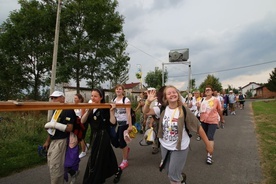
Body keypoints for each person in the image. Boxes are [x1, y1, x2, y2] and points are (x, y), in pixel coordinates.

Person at [144, 85, 213, 184]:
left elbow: (198, 126)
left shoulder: (184, 110)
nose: (172, 94)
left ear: (178, 94)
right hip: (164, 145)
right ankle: (181, 178)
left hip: (179, 147)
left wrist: (208, 144)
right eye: (169, 93)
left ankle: (179, 179)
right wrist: (148, 102)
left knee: (173, 176)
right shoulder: (162, 109)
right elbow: (145, 112)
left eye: (174, 92)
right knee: (169, 172)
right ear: (165, 97)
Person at [81, 88, 122, 184]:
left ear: (101, 97)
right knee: (106, 156)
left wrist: (112, 112)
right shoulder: (91, 108)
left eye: (95, 96)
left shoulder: (105, 108)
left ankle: (93, 180)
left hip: (103, 136)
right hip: (94, 135)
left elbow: (112, 122)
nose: (93, 98)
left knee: (96, 157)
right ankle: (116, 170)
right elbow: (83, 121)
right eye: (92, 96)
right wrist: (88, 111)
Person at [43, 91, 77, 184]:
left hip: (61, 141)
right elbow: (52, 128)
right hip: (53, 140)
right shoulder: (56, 110)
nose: (53, 100)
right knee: (51, 163)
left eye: (56, 98)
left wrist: (54, 124)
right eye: (52, 98)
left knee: (56, 166)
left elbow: (69, 128)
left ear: (63, 98)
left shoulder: (68, 109)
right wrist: (47, 141)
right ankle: (73, 172)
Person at [198, 85, 225, 165]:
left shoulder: (216, 100)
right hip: (203, 121)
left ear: (212, 91)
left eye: (209, 90)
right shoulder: (202, 100)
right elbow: (200, 110)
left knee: (210, 137)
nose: (207, 91)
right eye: (206, 90)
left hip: (213, 121)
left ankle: (209, 156)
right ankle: (209, 147)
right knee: (205, 137)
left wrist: (222, 119)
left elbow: (219, 110)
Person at [112, 84, 133, 170]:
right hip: (118, 123)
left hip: (125, 123)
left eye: (120, 89)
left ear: (123, 91)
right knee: (115, 141)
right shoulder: (113, 100)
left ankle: (125, 161)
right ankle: (126, 149)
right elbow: (112, 111)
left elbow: (128, 113)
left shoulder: (126, 100)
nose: (118, 90)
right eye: (117, 89)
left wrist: (130, 125)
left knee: (122, 141)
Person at [74, 94, 89, 159]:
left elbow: (83, 116)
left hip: (82, 123)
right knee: (78, 137)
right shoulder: (74, 106)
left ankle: (83, 151)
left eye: (76, 98)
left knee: (81, 137)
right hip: (76, 123)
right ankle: (86, 146)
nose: (74, 100)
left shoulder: (82, 106)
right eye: (74, 98)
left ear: (80, 99)